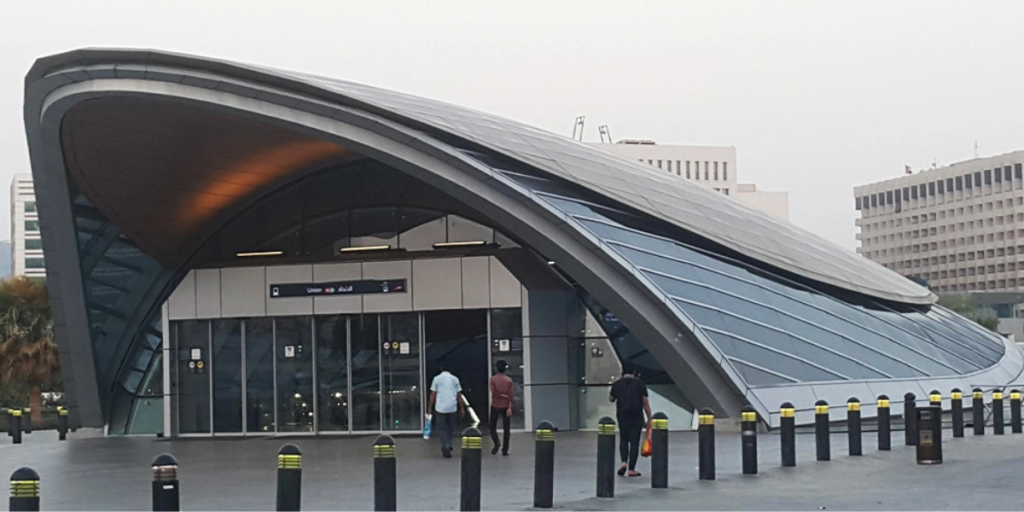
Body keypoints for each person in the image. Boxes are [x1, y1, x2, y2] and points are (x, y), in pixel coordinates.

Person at [609, 361, 652, 477]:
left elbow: (611, 399)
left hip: (622, 415)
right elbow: (645, 403)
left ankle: (623, 462)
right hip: (636, 416)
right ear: (634, 371)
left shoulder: (617, 384)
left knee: (623, 439)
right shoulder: (640, 384)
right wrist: (649, 418)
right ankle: (631, 469)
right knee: (634, 442)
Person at [429, 365, 465, 458]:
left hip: (440, 408)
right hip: (452, 407)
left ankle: (445, 445)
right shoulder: (455, 379)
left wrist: (430, 407)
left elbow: (433, 394)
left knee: (442, 428)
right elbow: (459, 395)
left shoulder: (436, 379)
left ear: (441, 369)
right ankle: (449, 443)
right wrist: (462, 408)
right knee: (450, 427)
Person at [488, 360, 515, 455]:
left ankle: (496, 442)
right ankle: (505, 449)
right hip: (505, 405)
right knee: (506, 429)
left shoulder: (493, 379)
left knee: (492, 426)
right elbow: (511, 396)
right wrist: (509, 407)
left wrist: (501, 395)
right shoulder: (509, 380)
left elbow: (494, 393)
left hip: (495, 405)